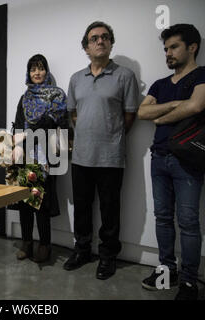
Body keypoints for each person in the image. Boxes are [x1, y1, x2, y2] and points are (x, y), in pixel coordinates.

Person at [138, 24, 205, 300]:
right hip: (159, 157)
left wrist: (160, 115)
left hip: (188, 159)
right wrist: (175, 106)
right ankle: (166, 272)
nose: (168, 53)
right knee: (162, 218)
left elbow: (197, 106)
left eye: (174, 47)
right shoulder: (161, 84)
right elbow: (142, 112)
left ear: (192, 47)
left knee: (188, 222)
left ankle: (188, 282)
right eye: (166, 49)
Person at [64, 21, 139, 280]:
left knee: (109, 210)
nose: (100, 41)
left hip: (110, 156)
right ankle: (82, 250)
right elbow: (73, 113)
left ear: (110, 43)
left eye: (105, 37)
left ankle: (107, 257)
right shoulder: (76, 79)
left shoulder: (125, 76)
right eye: (94, 38)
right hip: (81, 155)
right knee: (83, 208)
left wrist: (109, 135)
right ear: (86, 46)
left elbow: (130, 115)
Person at [11, 54, 67, 263]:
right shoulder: (25, 97)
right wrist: (17, 145)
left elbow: (52, 120)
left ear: (47, 70)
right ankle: (27, 242)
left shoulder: (57, 95)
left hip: (46, 154)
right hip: (25, 154)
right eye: (33, 69)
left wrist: (28, 133)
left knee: (41, 202)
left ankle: (45, 244)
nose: (37, 73)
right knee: (26, 201)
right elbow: (17, 123)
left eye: (41, 68)